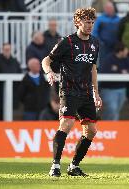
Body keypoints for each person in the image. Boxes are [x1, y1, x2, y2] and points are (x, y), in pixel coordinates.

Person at [41, 8, 102, 177]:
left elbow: (93, 69)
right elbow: (47, 60)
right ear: (77, 22)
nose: (89, 25)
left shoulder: (95, 43)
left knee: (91, 131)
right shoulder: (66, 42)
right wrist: (49, 72)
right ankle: (55, 165)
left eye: (92, 22)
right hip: (69, 91)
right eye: (86, 22)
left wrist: (96, 93)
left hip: (86, 93)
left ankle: (73, 166)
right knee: (66, 125)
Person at [99, 42, 129, 120]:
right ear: (121, 51)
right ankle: (108, 127)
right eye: (125, 50)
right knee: (112, 108)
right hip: (108, 90)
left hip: (122, 89)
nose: (127, 52)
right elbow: (104, 72)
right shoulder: (108, 59)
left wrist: (117, 70)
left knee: (116, 110)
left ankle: (113, 129)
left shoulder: (126, 59)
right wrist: (121, 71)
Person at [0, 43, 22, 120]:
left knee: (13, 114)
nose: (7, 51)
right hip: (1, 92)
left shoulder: (15, 62)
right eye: (5, 49)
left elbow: (19, 74)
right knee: (1, 113)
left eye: (8, 49)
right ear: (2, 50)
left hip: (13, 91)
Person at [92, 1, 120, 66]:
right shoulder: (100, 19)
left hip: (115, 45)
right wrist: (100, 42)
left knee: (114, 62)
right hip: (104, 45)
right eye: (107, 8)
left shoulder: (118, 19)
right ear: (105, 9)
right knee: (104, 62)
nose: (109, 10)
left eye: (110, 8)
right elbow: (95, 32)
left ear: (113, 9)